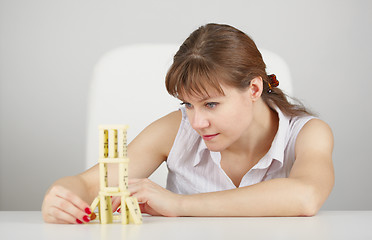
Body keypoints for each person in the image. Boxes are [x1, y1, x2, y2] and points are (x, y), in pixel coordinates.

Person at [42, 23, 334, 224]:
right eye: (187, 104)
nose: (196, 122)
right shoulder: (175, 129)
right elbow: (88, 184)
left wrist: (178, 205)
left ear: (255, 89)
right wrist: (62, 197)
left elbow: (306, 196)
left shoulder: (307, 133)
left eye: (211, 104)